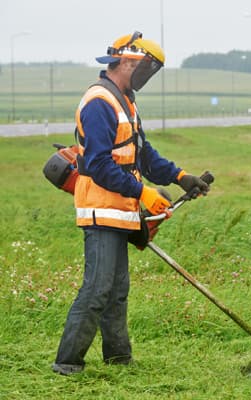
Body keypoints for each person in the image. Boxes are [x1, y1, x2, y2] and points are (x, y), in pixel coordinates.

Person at [52, 31, 211, 375]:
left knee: (117, 289)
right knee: (97, 289)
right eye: (147, 67)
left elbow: (142, 153)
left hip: (120, 209)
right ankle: (67, 364)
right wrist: (144, 194)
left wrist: (180, 176)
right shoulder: (99, 102)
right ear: (126, 61)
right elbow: (97, 165)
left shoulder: (125, 99)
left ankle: (118, 359)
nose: (148, 76)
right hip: (100, 208)